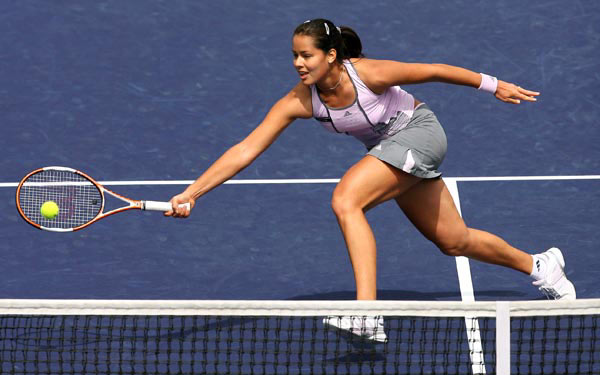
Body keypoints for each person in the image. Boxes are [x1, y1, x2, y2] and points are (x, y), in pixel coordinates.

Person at [166, 19, 576, 342]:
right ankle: (540, 265)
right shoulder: (300, 100)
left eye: (306, 55)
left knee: (347, 199)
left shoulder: (368, 73)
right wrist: (192, 193)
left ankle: (367, 314)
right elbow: (246, 148)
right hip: (389, 151)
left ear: (331, 55)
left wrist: (494, 86)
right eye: (294, 55)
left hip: (419, 133)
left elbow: (432, 70)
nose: (298, 63)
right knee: (454, 240)